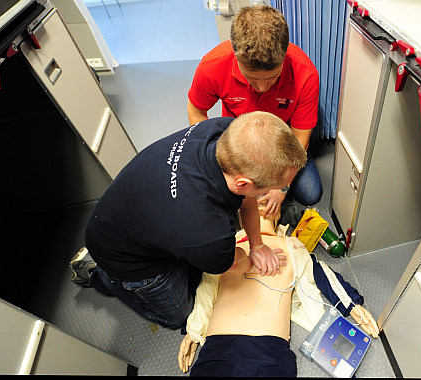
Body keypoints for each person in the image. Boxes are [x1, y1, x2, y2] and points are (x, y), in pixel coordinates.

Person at [69, 111, 306, 331]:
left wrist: (257, 244)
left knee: (192, 260)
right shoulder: (206, 231)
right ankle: (100, 275)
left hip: (132, 216)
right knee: (180, 315)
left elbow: (246, 199)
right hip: (126, 257)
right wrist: (253, 261)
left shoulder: (226, 132)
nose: (281, 191)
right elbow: (235, 262)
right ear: (242, 183)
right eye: (278, 187)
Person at [177, 207, 379, 376]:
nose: (260, 202)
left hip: (268, 352)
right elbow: (206, 289)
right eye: (253, 200)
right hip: (217, 348)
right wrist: (194, 331)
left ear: (277, 214)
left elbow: (322, 274)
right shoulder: (226, 245)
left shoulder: (291, 246)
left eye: (265, 198)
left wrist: (351, 303)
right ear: (240, 214)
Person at [187, 5, 322, 218]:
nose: (261, 88)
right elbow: (196, 110)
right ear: (236, 56)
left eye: (271, 78)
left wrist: (281, 187)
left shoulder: (306, 74)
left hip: (282, 142)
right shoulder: (212, 66)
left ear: (284, 57)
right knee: (223, 195)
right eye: (252, 78)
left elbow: (300, 140)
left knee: (310, 193)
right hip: (238, 139)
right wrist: (216, 156)